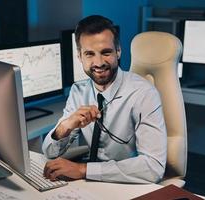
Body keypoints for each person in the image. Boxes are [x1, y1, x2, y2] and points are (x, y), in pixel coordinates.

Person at [42, 15, 167, 184]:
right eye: (89, 54)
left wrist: (83, 170)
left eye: (106, 52)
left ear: (118, 51)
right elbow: (49, 153)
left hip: (126, 182)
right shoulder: (79, 91)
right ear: (79, 57)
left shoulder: (144, 94)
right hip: (89, 184)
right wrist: (65, 126)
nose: (98, 62)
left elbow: (154, 167)